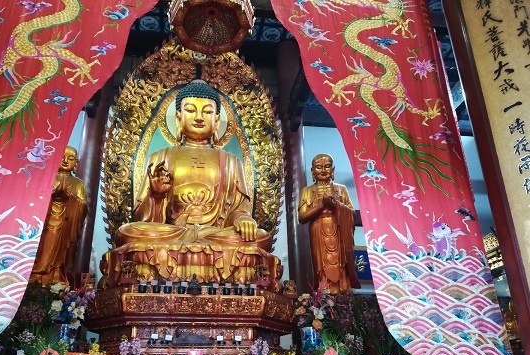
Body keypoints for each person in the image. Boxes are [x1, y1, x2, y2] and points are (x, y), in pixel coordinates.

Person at [102, 80, 279, 287]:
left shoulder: (232, 162)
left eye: (206, 112)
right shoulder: (160, 157)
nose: (198, 117)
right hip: (172, 233)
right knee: (128, 232)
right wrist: (157, 196)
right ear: (178, 118)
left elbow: (240, 208)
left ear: (216, 120)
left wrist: (242, 219)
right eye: (190, 110)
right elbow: (145, 219)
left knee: (260, 237)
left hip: (215, 235)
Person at [298, 154, 360, 293]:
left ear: (333, 169)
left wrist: (336, 205)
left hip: (339, 229)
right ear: (312, 171)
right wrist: (321, 205)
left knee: (341, 262)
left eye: (327, 166)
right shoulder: (307, 191)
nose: (323, 170)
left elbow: (352, 213)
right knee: (320, 265)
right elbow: (302, 217)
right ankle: (324, 293)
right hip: (318, 229)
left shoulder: (341, 189)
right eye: (319, 167)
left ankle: (343, 290)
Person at [30, 146, 87, 286]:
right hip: (47, 221)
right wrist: (53, 195)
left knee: (64, 246)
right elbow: (37, 200)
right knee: (43, 244)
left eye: (71, 159)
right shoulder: (48, 178)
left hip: (67, 222)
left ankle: (57, 272)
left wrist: (69, 197)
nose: (66, 161)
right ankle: (37, 273)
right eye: (62, 157)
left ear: (76, 164)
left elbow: (82, 207)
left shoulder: (78, 184)